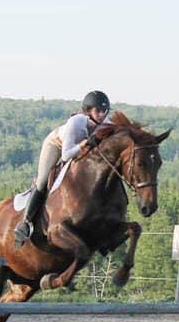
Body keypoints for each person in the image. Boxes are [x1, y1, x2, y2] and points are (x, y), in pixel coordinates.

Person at [13, 90, 112, 245]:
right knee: (42, 181)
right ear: (88, 110)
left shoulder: (106, 124)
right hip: (56, 145)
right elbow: (66, 155)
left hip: (79, 151)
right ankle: (25, 223)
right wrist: (84, 144)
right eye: (98, 110)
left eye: (104, 111)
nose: (102, 114)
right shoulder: (77, 123)